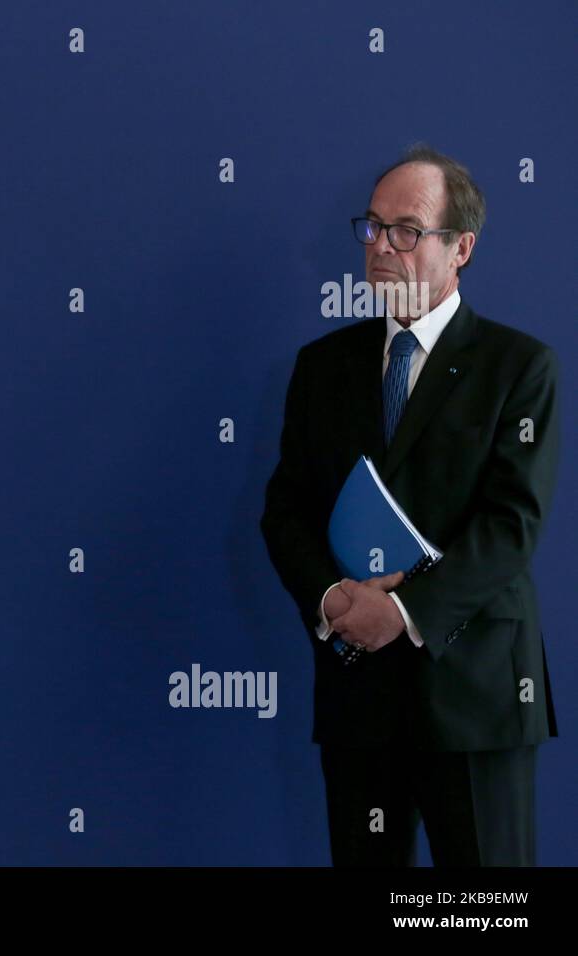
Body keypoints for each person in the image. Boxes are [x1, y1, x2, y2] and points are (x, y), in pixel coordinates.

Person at [260, 144, 559, 866]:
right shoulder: (322, 367)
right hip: (360, 698)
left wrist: (403, 613)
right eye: (372, 227)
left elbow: (510, 524)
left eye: (406, 230)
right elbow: (286, 511)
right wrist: (334, 600)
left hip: (476, 695)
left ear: (461, 249)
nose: (382, 248)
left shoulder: (518, 367)